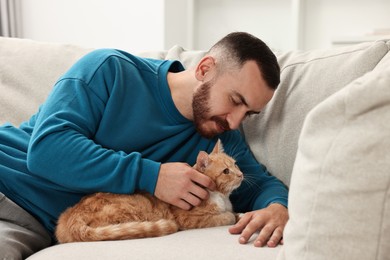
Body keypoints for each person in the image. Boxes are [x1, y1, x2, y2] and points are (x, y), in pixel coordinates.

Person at [0, 31, 288, 259]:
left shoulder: (220, 136)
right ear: (205, 68)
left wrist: (277, 208)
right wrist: (152, 176)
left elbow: (259, 184)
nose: (236, 121)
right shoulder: (111, 70)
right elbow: (47, 150)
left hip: (43, 226)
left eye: (249, 113)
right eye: (236, 101)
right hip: (7, 184)